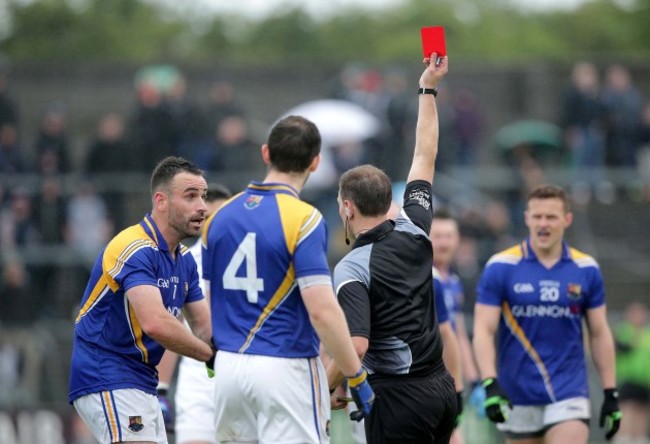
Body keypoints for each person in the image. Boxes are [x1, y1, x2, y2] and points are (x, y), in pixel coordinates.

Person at [202, 115, 374, 443]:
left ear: (266, 153)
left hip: (228, 369)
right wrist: (356, 375)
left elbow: (208, 305)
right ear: (315, 162)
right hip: (285, 366)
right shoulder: (304, 219)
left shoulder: (220, 216)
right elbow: (322, 311)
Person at [327, 52, 456, 443]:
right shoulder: (416, 225)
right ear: (390, 200)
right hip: (442, 390)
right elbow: (424, 154)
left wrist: (321, 383)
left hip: (398, 399)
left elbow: (356, 343)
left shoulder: (352, 267)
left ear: (348, 207)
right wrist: (427, 87)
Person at [68, 156, 215, 444]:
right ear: (161, 201)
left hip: (141, 380)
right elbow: (156, 324)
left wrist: (242, 356)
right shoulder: (133, 247)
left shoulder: (184, 260)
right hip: (107, 373)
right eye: (191, 196)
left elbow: (204, 325)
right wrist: (213, 357)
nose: (202, 207)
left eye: (203, 196)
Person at [472, 184, 622, 444]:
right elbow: (484, 330)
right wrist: (489, 382)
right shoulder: (501, 266)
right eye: (538, 216)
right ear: (527, 218)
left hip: (569, 391)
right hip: (516, 393)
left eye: (551, 217)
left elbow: (599, 332)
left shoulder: (586, 268)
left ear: (567, 220)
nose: (544, 224)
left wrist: (610, 391)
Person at [156, 183, 232, 444]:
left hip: (239, 373)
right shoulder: (185, 261)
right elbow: (172, 325)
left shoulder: (250, 255)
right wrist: (162, 389)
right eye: (208, 218)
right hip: (198, 378)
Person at [430, 208, 485, 444]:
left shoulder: (452, 281)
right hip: (428, 382)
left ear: (457, 239)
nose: (443, 243)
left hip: (449, 383)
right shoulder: (423, 279)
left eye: (448, 236)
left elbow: (458, 334)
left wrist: (473, 381)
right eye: (437, 236)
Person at [613, 302, 650, 443]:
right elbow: (622, 348)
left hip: (645, 380)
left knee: (642, 410)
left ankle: (639, 437)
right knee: (628, 409)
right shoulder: (624, 331)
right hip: (628, 379)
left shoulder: (647, 334)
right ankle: (623, 437)